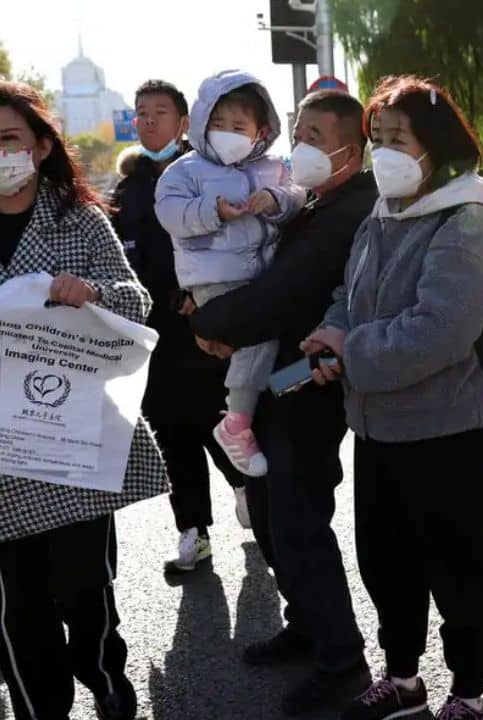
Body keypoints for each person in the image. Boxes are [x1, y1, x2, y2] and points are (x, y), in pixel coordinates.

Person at [303, 76, 483, 720]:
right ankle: (402, 679)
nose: (385, 150)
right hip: (379, 428)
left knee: (457, 568)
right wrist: (333, 330)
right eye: (378, 138)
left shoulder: (465, 221)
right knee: (387, 564)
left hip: (447, 431)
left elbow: (437, 333)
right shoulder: (381, 215)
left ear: (436, 144)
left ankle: (468, 693)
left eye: (400, 137)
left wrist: (351, 355)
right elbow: (351, 291)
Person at [188, 89, 376, 716]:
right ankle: (306, 624)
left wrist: (211, 323)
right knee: (271, 514)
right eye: (299, 131)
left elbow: (283, 291)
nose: (303, 145)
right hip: (272, 375)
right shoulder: (312, 202)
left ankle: (340, 657)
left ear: (354, 145)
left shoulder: (355, 207)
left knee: (298, 521)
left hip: (308, 383)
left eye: (318, 134)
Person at [0, 79, 168, 720]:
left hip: (71, 439)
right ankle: (41, 709)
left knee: (82, 589)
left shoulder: (80, 219)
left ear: (41, 147)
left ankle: (104, 677)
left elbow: (137, 303)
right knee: (16, 604)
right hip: (3, 450)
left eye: (10, 138)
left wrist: (90, 293)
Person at [110, 79, 250, 575]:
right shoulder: (125, 188)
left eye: (160, 112)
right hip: (152, 336)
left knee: (214, 419)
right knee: (171, 432)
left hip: (203, 324)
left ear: (183, 122)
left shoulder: (204, 173)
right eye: (141, 111)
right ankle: (193, 530)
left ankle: (243, 485)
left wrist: (206, 296)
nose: (148, 121)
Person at [155, 69, 303, 479]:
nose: (226, 133)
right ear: (201, 124)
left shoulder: (275, 167)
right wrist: (212, 211)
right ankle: (235, 421)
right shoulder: (184, 171)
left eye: (238, 126)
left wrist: (274, 199)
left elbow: (296, 197)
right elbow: (169, 213)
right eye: (217, 124)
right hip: (212, 276)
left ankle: (245, 417)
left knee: (261, 343)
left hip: (261, 275)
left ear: (261, 131)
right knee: (258, 339)